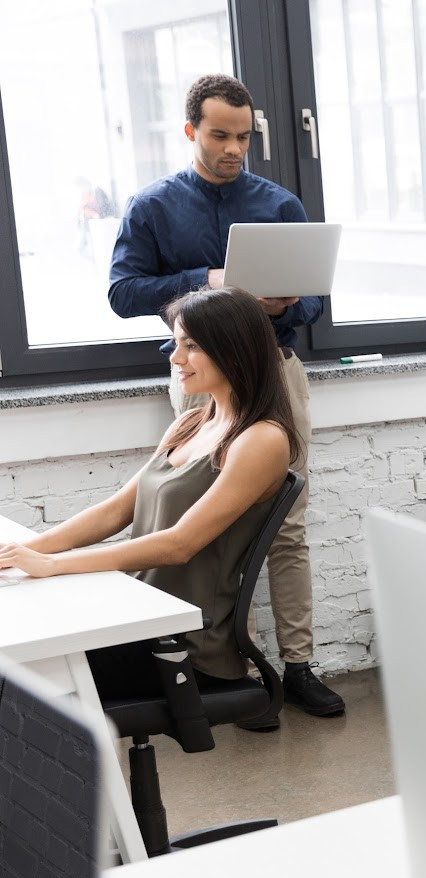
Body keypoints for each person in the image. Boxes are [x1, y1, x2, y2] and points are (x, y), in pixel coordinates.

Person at [107, 73, 343, 719]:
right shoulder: (152, 206)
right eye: (220, 135)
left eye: (243, 136)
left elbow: (318, 300)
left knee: (285, 525)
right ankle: (217, 663)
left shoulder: (279, 203)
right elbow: (123, 291)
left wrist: (289, 299)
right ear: (191, 131)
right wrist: (209, 280)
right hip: (201, 383)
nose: (234, 147)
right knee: (196, 522)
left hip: (275, 367)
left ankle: (296, 665)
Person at [0, 288, 299, 706]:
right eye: (176, 343)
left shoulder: (261, 439)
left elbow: (180, 545)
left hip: (180, 646)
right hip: (135, 615)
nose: (176, 358)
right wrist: (21, 552)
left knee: (22, 672)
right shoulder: (193, 422)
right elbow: (114, 511)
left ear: (233, 350)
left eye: (190, 346)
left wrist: (52, 565)